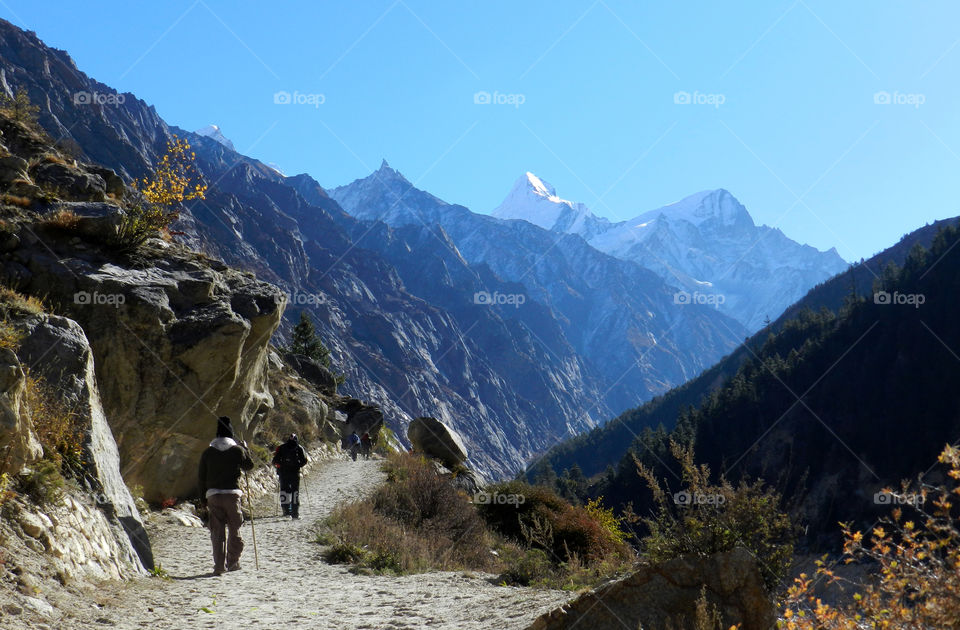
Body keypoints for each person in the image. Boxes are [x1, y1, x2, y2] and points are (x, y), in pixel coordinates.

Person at [198, 416, 254, 576]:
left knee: (217, 532)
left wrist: (203, 499)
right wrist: (245, 449)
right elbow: (249, 466)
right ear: (231, 433)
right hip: (232, 495)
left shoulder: (207, 452)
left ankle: (218, 566)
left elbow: (201, 478)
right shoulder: (237, 450)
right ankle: (233, 562)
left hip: (213, 496)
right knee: (235, 529)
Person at [272, 433, 308, 519]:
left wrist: (281, 465)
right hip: (294, 473)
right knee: (295, 492)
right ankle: (295, 513)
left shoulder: (281, 447)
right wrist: (298, 465)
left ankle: (286, 511)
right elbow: (304, 460)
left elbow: (275, 460)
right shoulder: (299, 448)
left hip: (283, 473)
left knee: (284, 491)